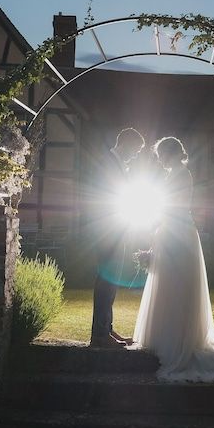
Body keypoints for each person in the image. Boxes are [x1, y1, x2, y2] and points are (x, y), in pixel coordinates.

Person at [132, 136, 214, 381]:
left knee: (176, 285)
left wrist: (154, 230)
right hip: (174, 231)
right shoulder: (178, 173)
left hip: (176, 232)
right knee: (170, 284)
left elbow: (172, 207)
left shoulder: (179, 175)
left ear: (168, 153)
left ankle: (177, 340)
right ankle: (167, 336)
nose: (158, 160)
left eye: (159, 155)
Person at [89, 127, 145, 348]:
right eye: (136, 150)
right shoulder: (107, 163)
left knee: (111, 282)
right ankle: (99, 335)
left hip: (116, 229)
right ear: (126, 144)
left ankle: (107, 330)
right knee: (106, 282)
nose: (136, 155)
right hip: (107, 231)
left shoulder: (117, 164)